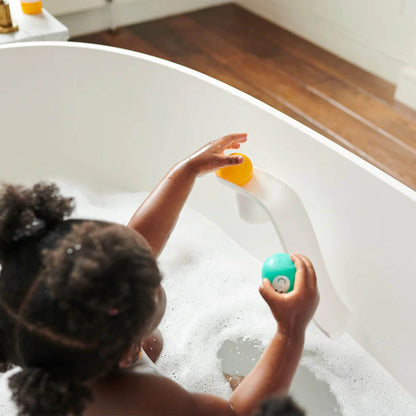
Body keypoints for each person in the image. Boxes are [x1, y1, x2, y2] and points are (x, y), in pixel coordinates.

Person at [0, 134, 319, 416]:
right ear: (125, 353)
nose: (155, 267)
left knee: (151, 341)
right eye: (154, 282)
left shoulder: (38, 337)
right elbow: (239, 413)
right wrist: (290, 330)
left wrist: (186, 171)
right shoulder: (142, 400)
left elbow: (137, 246)